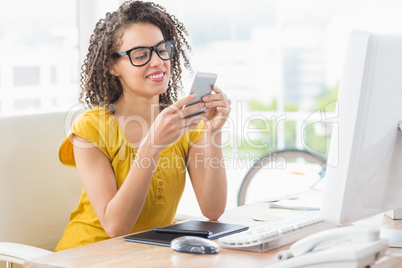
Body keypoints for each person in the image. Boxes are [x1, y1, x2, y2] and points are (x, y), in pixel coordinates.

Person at [55, 0, 230, 251]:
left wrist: (214, 133)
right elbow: (116, 227)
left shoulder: (186, 124)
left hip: (146, 256)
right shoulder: (90, 129)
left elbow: (213, 210)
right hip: (85, 255)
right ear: (112, 66)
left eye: (162, 49)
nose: (158, 62)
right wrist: (151, 146)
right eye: (140, 55)